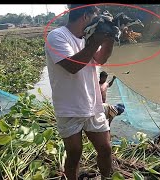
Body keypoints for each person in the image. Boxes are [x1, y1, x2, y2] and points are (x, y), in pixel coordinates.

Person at [45, 4, 115, 180]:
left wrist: (110, 37)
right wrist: (97, 40)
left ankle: (106, 178)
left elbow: (100, 58)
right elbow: (72, 66)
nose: (97, 22)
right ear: (85, 16)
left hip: (92, 104)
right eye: (95, 18)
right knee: (74, 153)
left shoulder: (87, 38)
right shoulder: (57, 36)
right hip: (69, 107)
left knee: (105, 149)